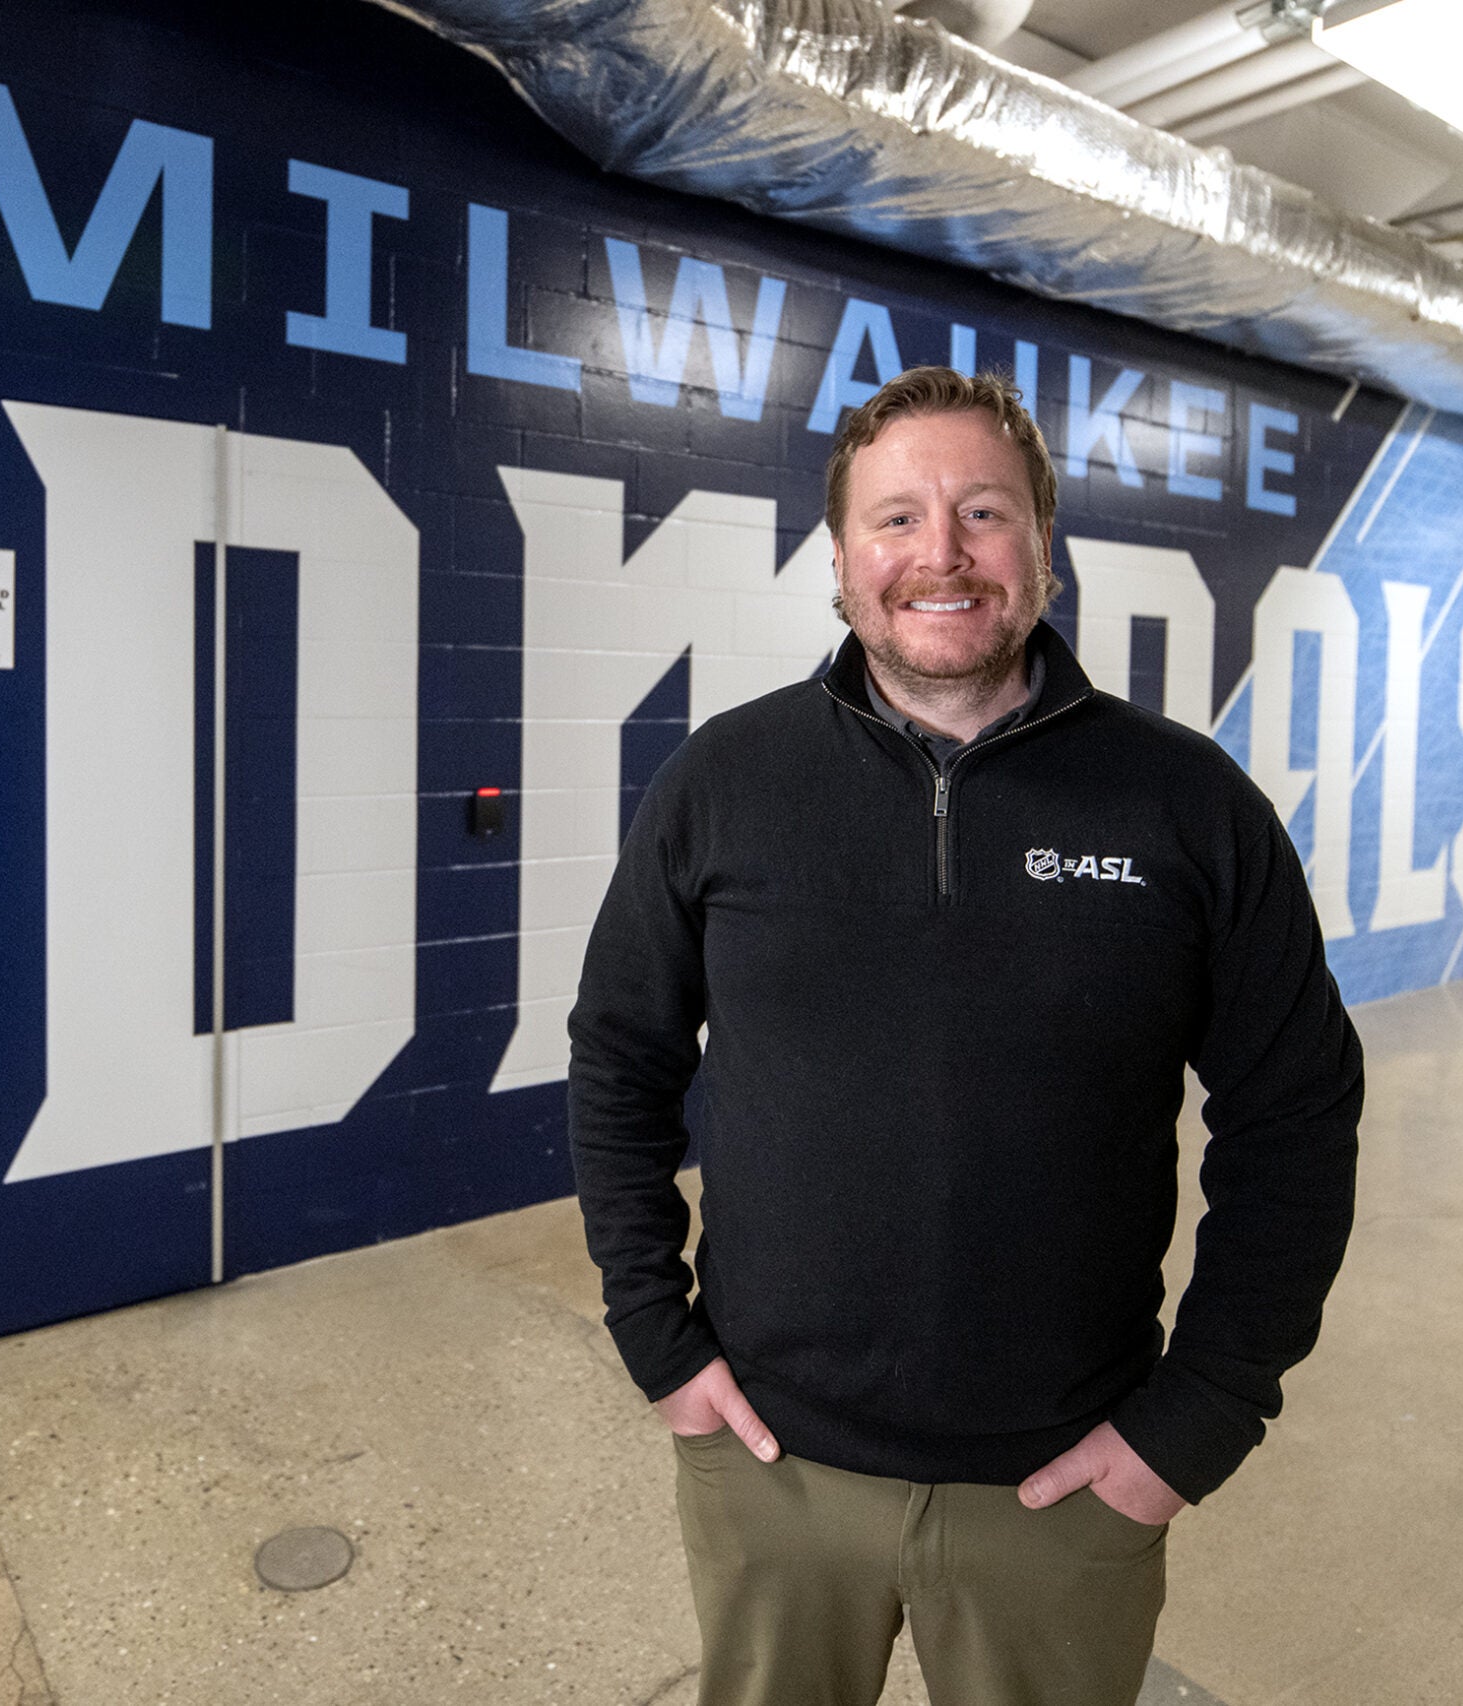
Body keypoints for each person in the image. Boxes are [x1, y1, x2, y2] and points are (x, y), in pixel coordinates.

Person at [567, 365, 1362, 1706]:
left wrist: (1201, 1413)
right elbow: (619, 1054)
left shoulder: (1188, 808)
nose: (940, 554)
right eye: (896, 519)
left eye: (983, 512)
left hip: (1061, 1484)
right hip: (773, 1465)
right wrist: (659, 1337)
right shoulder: (724, 781)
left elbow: (1294, 1117)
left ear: (1043, 546)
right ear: (838, 560)